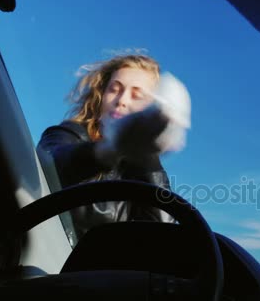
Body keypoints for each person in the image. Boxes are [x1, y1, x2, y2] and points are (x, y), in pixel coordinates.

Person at [37, 54, 190, 241]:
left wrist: (147, 154)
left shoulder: (145, 174)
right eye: (114, 90)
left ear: (152, 109)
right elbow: (48, 166)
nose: (122, 100)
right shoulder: (70, 134)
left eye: (137, 95)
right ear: (101, 96)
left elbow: (158, 235)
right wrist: (108, 150)